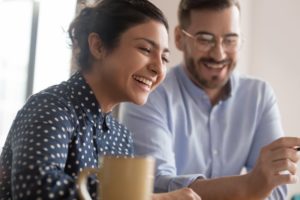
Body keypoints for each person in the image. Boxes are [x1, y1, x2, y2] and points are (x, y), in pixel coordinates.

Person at [0, 0, 201, 199]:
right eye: (146, 50)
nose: (158, 68)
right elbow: (36, 189)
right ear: (98, 46)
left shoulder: (121, 137)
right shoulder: (51, 107)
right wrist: (150, 198)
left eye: (164, 58)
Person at [119, 0, 300, 199]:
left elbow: (275, 191)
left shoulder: (259, 96)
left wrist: (258, 184)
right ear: (179, 38)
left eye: (230, 40)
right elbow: (156, 187)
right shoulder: (148, 93)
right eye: (205, 39)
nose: (218, 54)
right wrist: (250, 185)